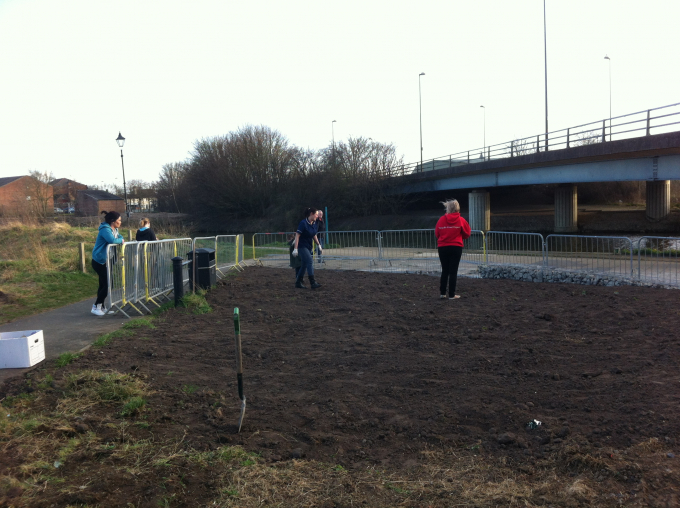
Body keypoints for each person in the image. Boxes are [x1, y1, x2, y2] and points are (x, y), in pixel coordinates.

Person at [435, 199, 471, 300]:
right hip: (456, 247)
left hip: (442, 247)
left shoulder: (441, 220)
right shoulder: (461, 220)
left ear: (448, 208)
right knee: (453, 272)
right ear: (457, 208)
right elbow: (467, 233)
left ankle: (442, 293)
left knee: (445, 270)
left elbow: (437, 233)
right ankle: (451, 294)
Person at [91, 210, 124, 316]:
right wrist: (120, 241)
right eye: (119, 220)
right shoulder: (105, 229)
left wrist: (120, 239)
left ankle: (102, 306)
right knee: (108, 283)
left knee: (103, 284)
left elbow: (120, 237)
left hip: (107, 261)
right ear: (113, 221)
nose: (120, 222)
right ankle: (96, 306)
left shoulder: (114, 230)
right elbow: (113, 241)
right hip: (99, 261)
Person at [292, 207, 323, 289]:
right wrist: (295, 248)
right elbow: (297, 235)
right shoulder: (303, 223)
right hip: (302, 246)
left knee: (304, 264)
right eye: (316, 214)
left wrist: (318, 244)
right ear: (311, 214)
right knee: (310, 261)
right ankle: (312, 282)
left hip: (309, 246)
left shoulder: (314, 224)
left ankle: (298, 282)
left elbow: (314, 234)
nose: (317, 216)